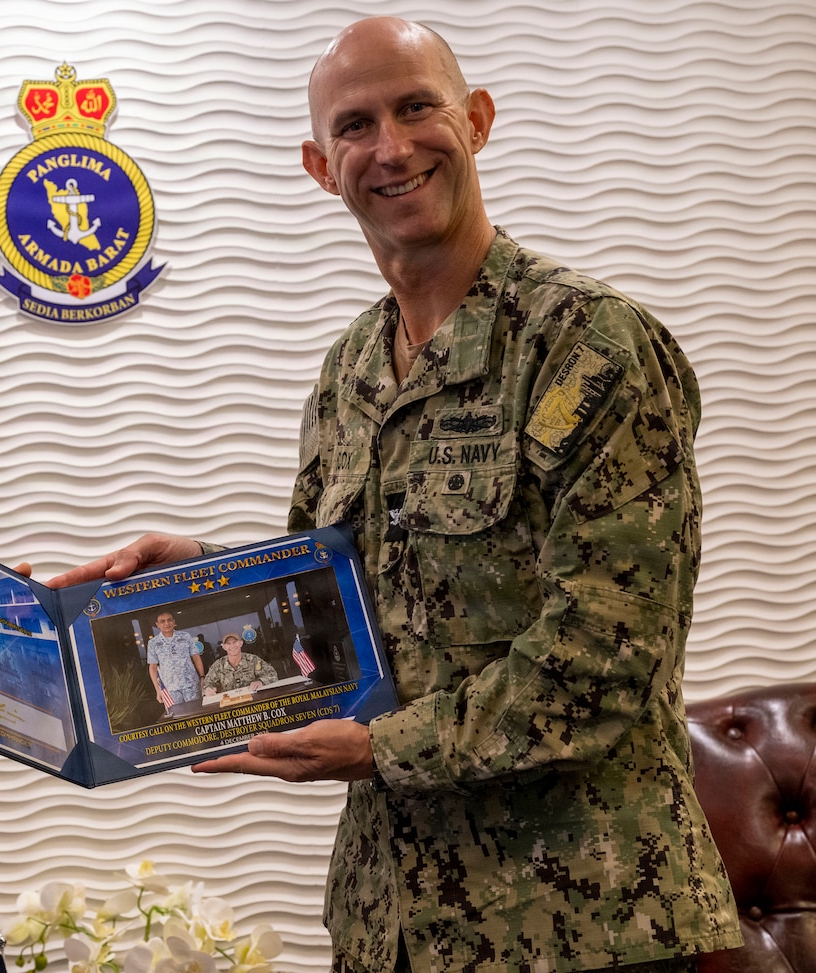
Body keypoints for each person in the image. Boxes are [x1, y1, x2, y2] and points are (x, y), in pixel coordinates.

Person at [47, 17, 742, 973]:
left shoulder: (589, 345)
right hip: (392, 923)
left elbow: (605, 660)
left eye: (418, 108)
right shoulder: (350, 371)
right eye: (356, 126)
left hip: (581, 923)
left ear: (479, 120)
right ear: (319, 165)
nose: (392, 146)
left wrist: (381, 746)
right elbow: (335, 610)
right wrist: (201, 577)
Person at [145, 611, 204, 709]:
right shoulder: (153, 643)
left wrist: (202, 676)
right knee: (178, 716)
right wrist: (158, 690)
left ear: (174, 621)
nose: (166, 623)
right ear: (157, 625)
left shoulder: (185, 636)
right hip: (170, 688)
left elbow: (196, 657)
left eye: (169, 620)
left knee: (196, 711)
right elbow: (153, 667)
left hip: (191, 684)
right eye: (162, 621)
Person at [202, 633, 277, 695]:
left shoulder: (252, 659)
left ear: (241, 643)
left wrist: (261, 681)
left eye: (235, 642)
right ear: (224, 647)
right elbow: (207, 684)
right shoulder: (218, 665)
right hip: (230, 703)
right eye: (228, 643)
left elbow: (272, 674)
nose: (232, 646)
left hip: (253, 699)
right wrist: (208, 690)